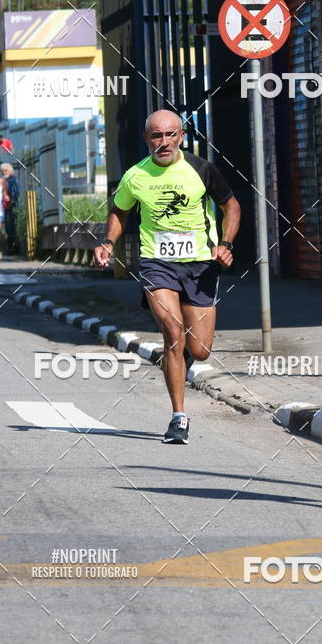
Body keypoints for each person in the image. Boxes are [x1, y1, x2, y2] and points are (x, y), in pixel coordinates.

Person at [94, 109, 241, 444]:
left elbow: (231, 205)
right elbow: (120, 209)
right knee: (173, 333)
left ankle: (177, 360)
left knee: (200, 350)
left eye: (170, 134)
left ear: (181, 137)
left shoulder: (201, 169)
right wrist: (108, 241)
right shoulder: (135, 176)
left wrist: (226, 243)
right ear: (147, 139)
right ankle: (178, 417)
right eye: (156, 136)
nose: (163, 142)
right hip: (156, 264)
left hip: (200, 265)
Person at [0, 163, 20, 255]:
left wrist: (11, 200)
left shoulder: (12, 180)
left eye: (5, 170)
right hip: (7, 206)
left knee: (11, 227)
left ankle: (12, 249)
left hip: (12, 206)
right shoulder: (6, 180)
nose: (4, 172)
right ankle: (10, 248)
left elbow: (16, 192)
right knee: (8, 227)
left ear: (10, 170)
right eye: (2, 171)